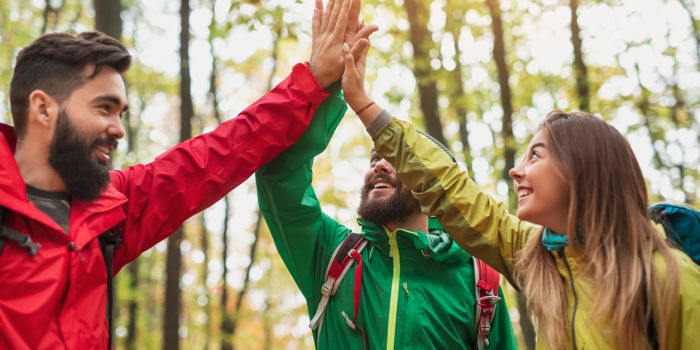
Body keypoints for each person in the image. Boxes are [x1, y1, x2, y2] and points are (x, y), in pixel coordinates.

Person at [0, 0, 372, 347]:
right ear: (43, 109)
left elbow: (216, 156)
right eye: (103, 108)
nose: (118, 129)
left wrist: (313, 80)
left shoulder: (109, 211)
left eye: (121, 113)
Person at [339, 34, 700, 349]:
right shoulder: (538, 258)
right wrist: (363, 104)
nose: (516, 170)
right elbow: (452, 190)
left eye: (536, 155)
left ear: (584, 168)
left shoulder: (669, 280)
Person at [255, 11, 517, 350]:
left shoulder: (480, 282)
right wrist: (324, 83)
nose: (377, 166)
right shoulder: (332, 255)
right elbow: (279, 175)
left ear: (433, 186)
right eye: (374, 159)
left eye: (393, 158)